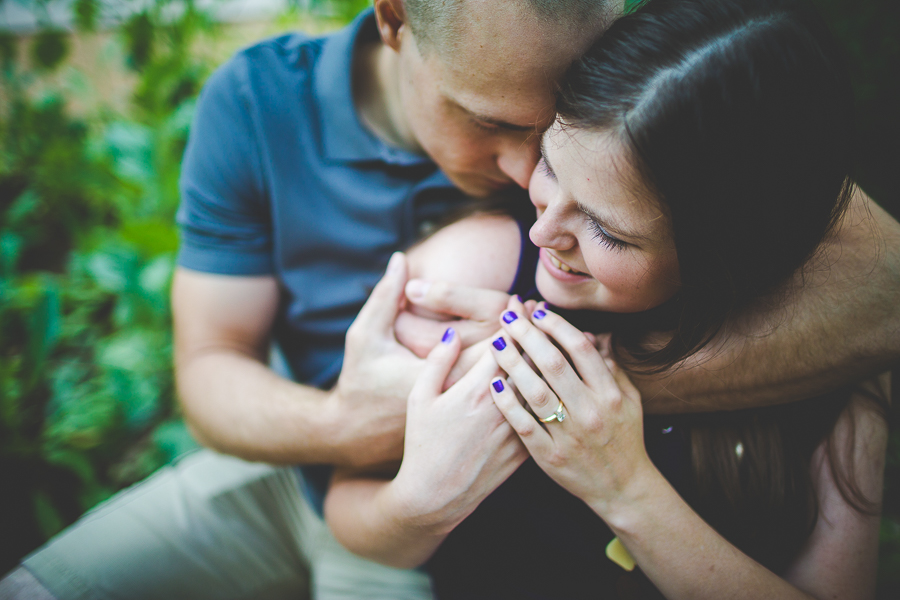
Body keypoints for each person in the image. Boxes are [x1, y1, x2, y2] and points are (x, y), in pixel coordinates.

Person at [3, 0, 898, 598]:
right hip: (309, 467)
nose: (524, 184)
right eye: (499, 127)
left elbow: (878, 282)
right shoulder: (259, 105)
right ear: (395, 17)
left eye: (548, 130)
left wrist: (574, 395)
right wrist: (355, 425)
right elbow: (210, 372)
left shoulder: (664, 117)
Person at [323, 0, 889, 598]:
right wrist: (421, 503)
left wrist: (624, 488)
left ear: (728, 258)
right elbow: (352, 511)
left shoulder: (833, 358)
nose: (545, 233)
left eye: (607, 230)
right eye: (551, 164)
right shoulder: (476, 273)